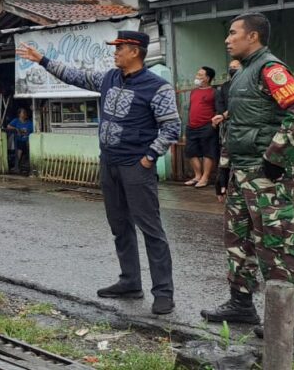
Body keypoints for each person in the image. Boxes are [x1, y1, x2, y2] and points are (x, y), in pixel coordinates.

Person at [16, 31, 180, 315]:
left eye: (120, 49)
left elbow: (171, 128)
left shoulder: (157, 87)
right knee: (120, 226)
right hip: (109, 163)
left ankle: (163, 292)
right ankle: (129, 282)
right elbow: (74, 76)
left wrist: (149, 158)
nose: (115, 53)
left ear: (135, 51)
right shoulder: (109, 78)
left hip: (136, 167)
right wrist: (41, 59)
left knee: (151, 229)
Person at [200, 13, 294, 339]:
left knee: (275, 243)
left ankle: (290, 318)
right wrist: (223, 169)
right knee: (237, 239)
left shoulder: (270, 69)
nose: (227, 39)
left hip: (265, 176)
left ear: (253, 37)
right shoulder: (243, 73)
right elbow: (237, 125)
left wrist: (277, 159)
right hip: (240, 171)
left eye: (233, 33)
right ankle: (241, 303)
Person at [212, 59, 242, 199]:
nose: (232, 69)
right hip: (228, 128)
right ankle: (222, 187)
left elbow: (242, 106)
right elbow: (220, 107)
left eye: (236, 67)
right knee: (225, 160)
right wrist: (223, 116)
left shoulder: (249, 85)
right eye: (231, 67)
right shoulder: (225, 87)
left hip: (246, 130)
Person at [184, 66, 218, 188]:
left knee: (208, 153)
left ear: (207, 78)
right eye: (197, 74)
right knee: (190, 152)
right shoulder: (194, 91)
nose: (197, 77)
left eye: (200, 75)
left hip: (207, 126)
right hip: (191, 126)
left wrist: (214, 124)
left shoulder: (214, 92)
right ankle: (197, 175)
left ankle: (205, 177)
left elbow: (218, 109)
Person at [5, 108, 34, 176]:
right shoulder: (16, 121)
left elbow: (35, 130)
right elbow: (8, 126)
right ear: (19, 114)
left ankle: (28, 167)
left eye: (25, 112)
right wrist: (16, 129)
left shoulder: (30, 123)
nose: (24, 114)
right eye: (23, 112)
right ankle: (16, 166)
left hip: (28, 141)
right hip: (19, 141)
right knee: (19, 150)